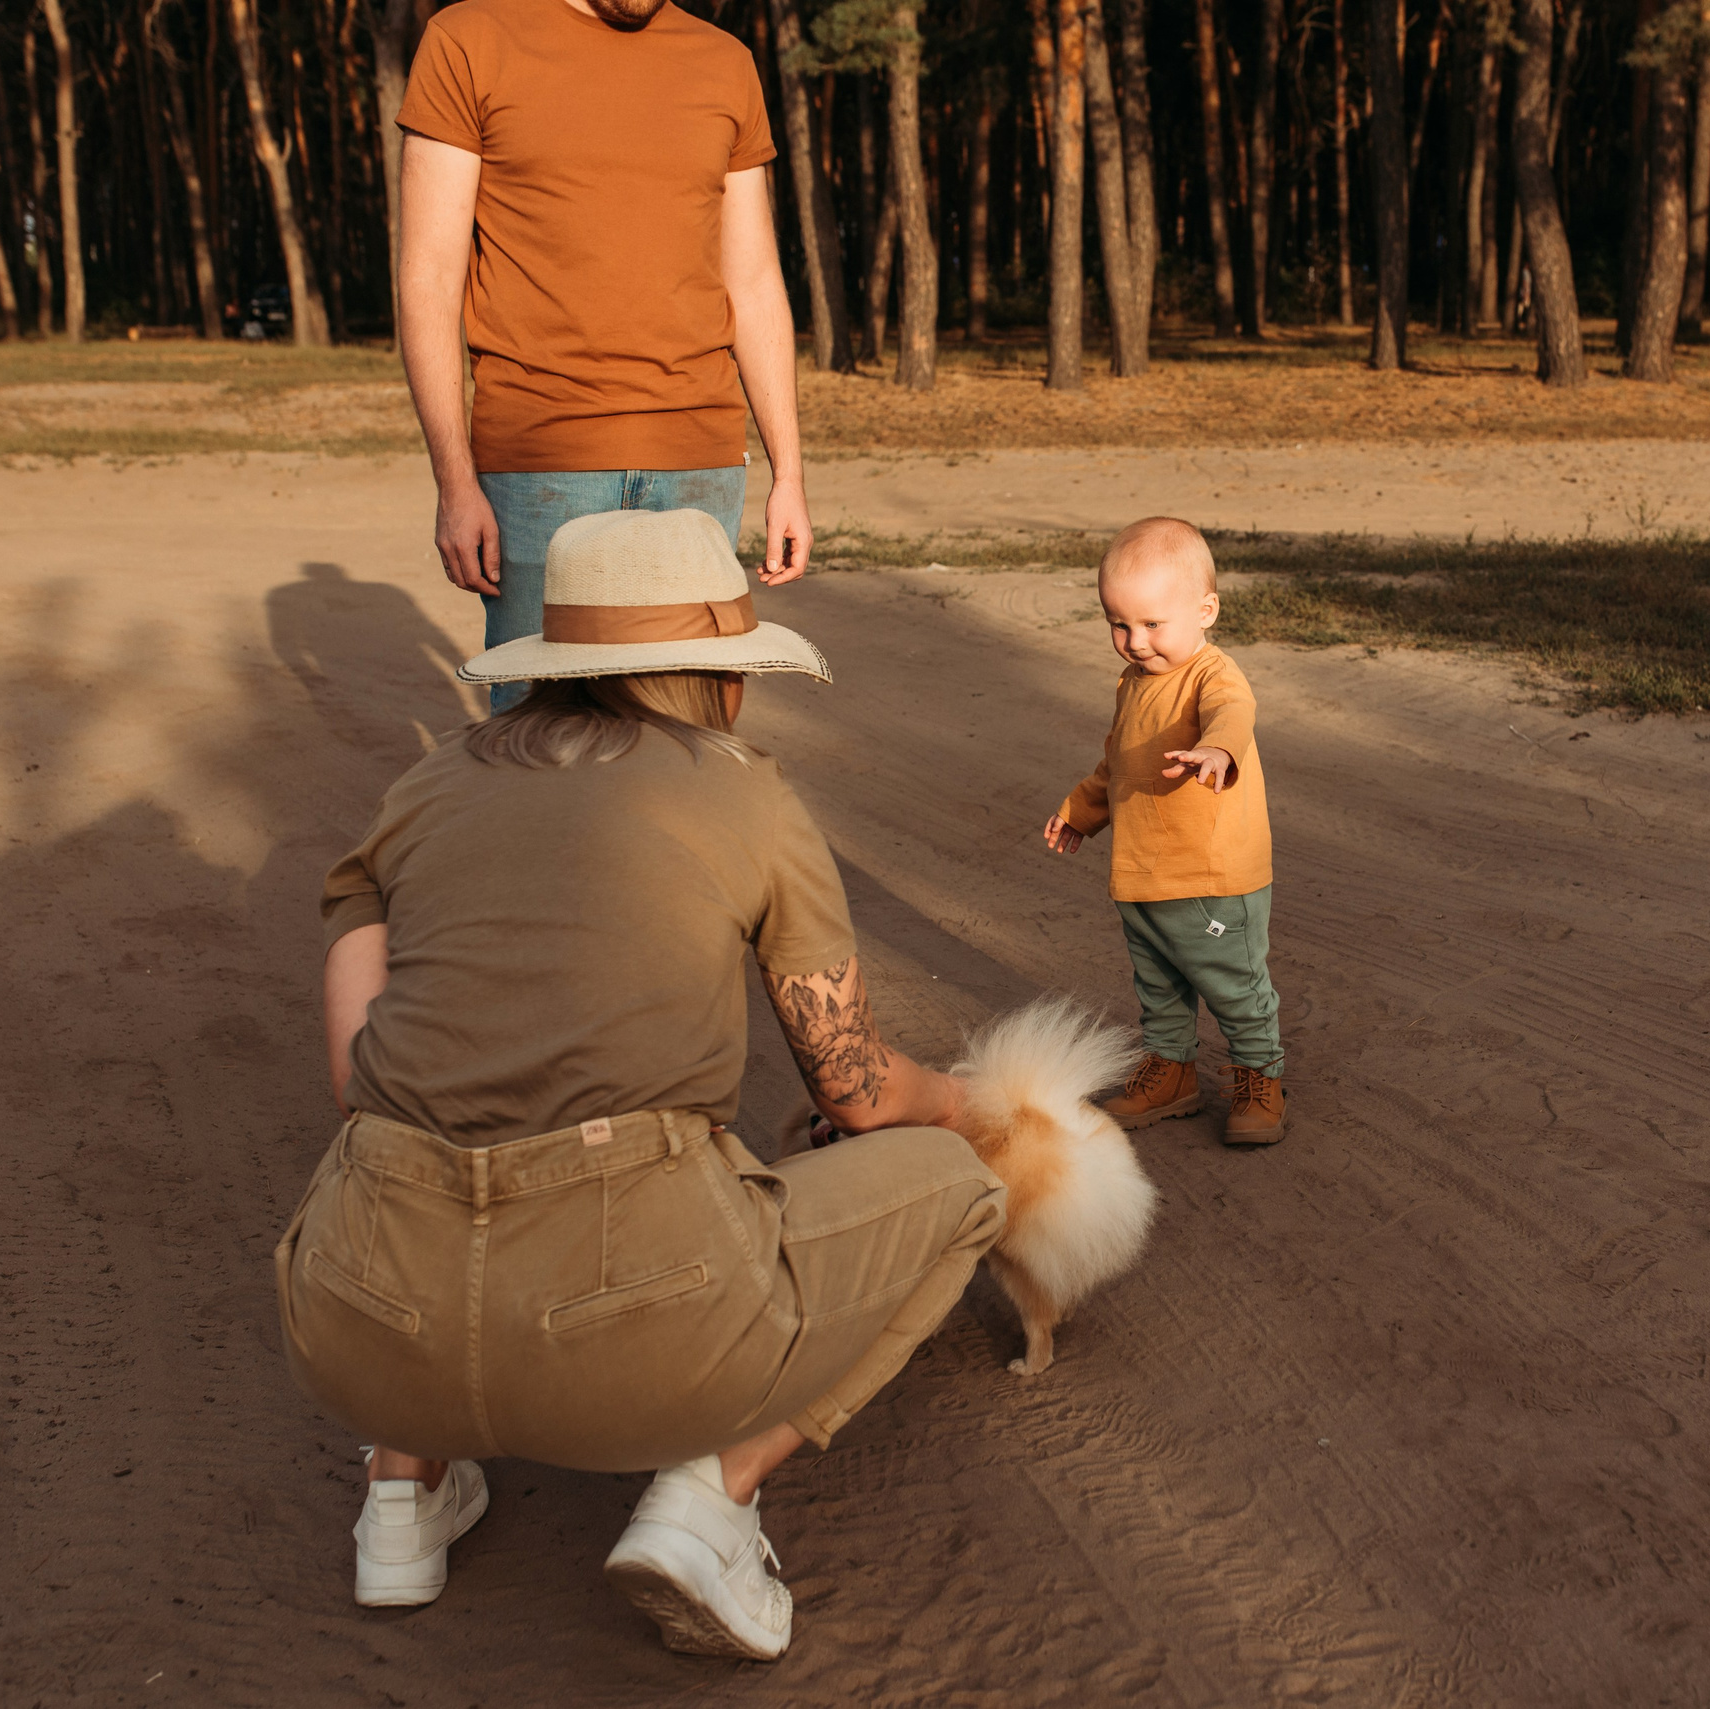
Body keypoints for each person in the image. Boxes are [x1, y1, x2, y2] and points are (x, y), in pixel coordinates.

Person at [277, 508, 1006, 1661]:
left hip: (367, 1322)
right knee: (959, 1186)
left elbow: (355, 1081)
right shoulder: (748, 793)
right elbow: (855, 1088)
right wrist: (964, 1102)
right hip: (631, 1332)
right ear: (713, 674)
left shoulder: (419, 789)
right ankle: (710, 1497)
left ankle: (402, 1496)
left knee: (406, 1150)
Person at [394, 0, 813, 712]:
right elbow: (427, 275)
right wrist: (454, 482)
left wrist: (790, 473)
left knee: (692, 749)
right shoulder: (467, 40)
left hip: (701, 471)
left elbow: (754, 279)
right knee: (538, 750)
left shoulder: (725, 61)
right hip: (538, 473)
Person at [1042, 518, 1288, 1145]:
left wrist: (1217, 751)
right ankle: (1170, 1071)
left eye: (1152, 623)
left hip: (1211, 879)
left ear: (1206, 610)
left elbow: (1234, 713)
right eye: (1118, 624)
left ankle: (1260, 1076)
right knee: (1159, 986)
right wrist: (1080, 812)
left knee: (1234, 984)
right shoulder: (1132, 685)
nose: (1135, 641)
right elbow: (1118, 766)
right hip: (1142, 875)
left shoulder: (1212, 675)